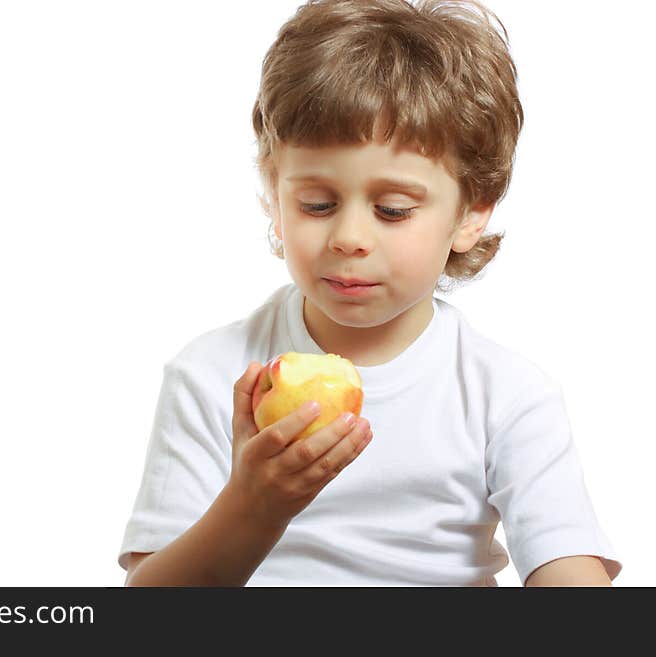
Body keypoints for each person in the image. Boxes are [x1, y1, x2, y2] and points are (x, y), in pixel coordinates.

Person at [117, 0, 622, 586]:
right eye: (317, 205)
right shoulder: (212, 375)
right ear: (274, 195)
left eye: (392, 210)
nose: (350, 237)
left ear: (471, 213)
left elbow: (568, 566)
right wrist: (253, 508)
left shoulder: (505, 393)